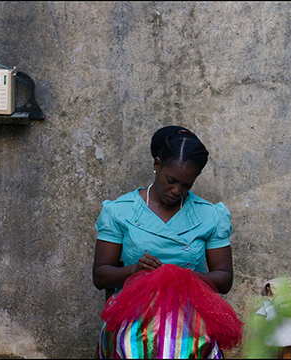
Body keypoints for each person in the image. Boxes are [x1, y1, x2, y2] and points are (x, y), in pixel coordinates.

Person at [92, 125, 242, 359]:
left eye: (186, 185)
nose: (176, 190)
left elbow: (223, 279)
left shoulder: (210, 216)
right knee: (136, 346)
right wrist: (135, 270)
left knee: (189, 348)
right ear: (156, 165)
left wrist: (183, 277)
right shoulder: (120, 211)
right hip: (134, 313)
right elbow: (100, 275)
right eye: (171, 180)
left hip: (191, 312)